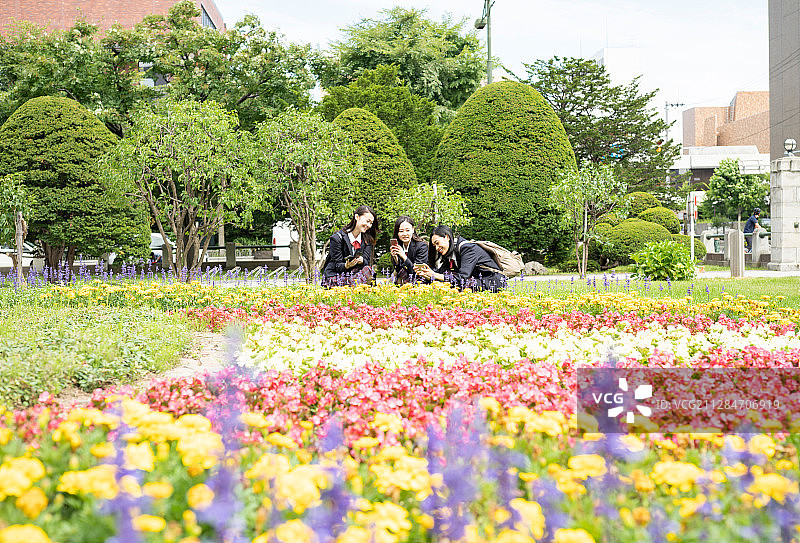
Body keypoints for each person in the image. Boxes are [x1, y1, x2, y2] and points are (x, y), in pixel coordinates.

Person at [414, 225, 506, 292]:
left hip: (493, 281)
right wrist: (427, 275)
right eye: (434, 246)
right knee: (447, 280)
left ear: (446, 237)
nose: (437, 248)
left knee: (458, 284)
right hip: (478, 281)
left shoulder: (467, 249)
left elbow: (462, 278)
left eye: (437, 243)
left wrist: (434, 275)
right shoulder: (450, 252)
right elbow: (441, 273)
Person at [322, 205, 378, 286]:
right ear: (357, 217)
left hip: (355, 275)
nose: (369, 225)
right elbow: (337, 265)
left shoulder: (367, 240)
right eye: (367, 221)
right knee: (357, 281)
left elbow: (366, 261)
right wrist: (346, 265)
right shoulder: (337, 238)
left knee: (368, 270)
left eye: (371, 223)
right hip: (336, 275)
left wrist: (362, 260)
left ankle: (353, 290)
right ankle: (352, 290)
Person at [389, 216, 429, 285]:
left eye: (407, 230)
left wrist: (404, 256)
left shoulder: (421, 246)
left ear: (413, 230)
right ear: (397, 232)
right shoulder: (399, 246)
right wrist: (396, 258)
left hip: (419, 282)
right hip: (402, 281)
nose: (405, 234)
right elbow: (399, 270)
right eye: (401, 231)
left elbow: (417, 272)